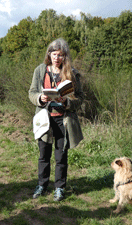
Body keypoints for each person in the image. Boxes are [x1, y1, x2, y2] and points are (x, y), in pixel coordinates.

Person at [29, 38, 84, 201]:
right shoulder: (40, 70)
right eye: (54, 54)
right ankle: (42, 185)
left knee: (61, 157)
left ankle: (59, 188)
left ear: (65, 56)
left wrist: (67, 102)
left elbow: (80, 98)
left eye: (60, 55)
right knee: (43, 155)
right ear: (49, 54)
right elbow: (31, 92)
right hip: (44, 120)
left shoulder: (72, 73)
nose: (57, 58)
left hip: (63, 119)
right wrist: (40, 98)